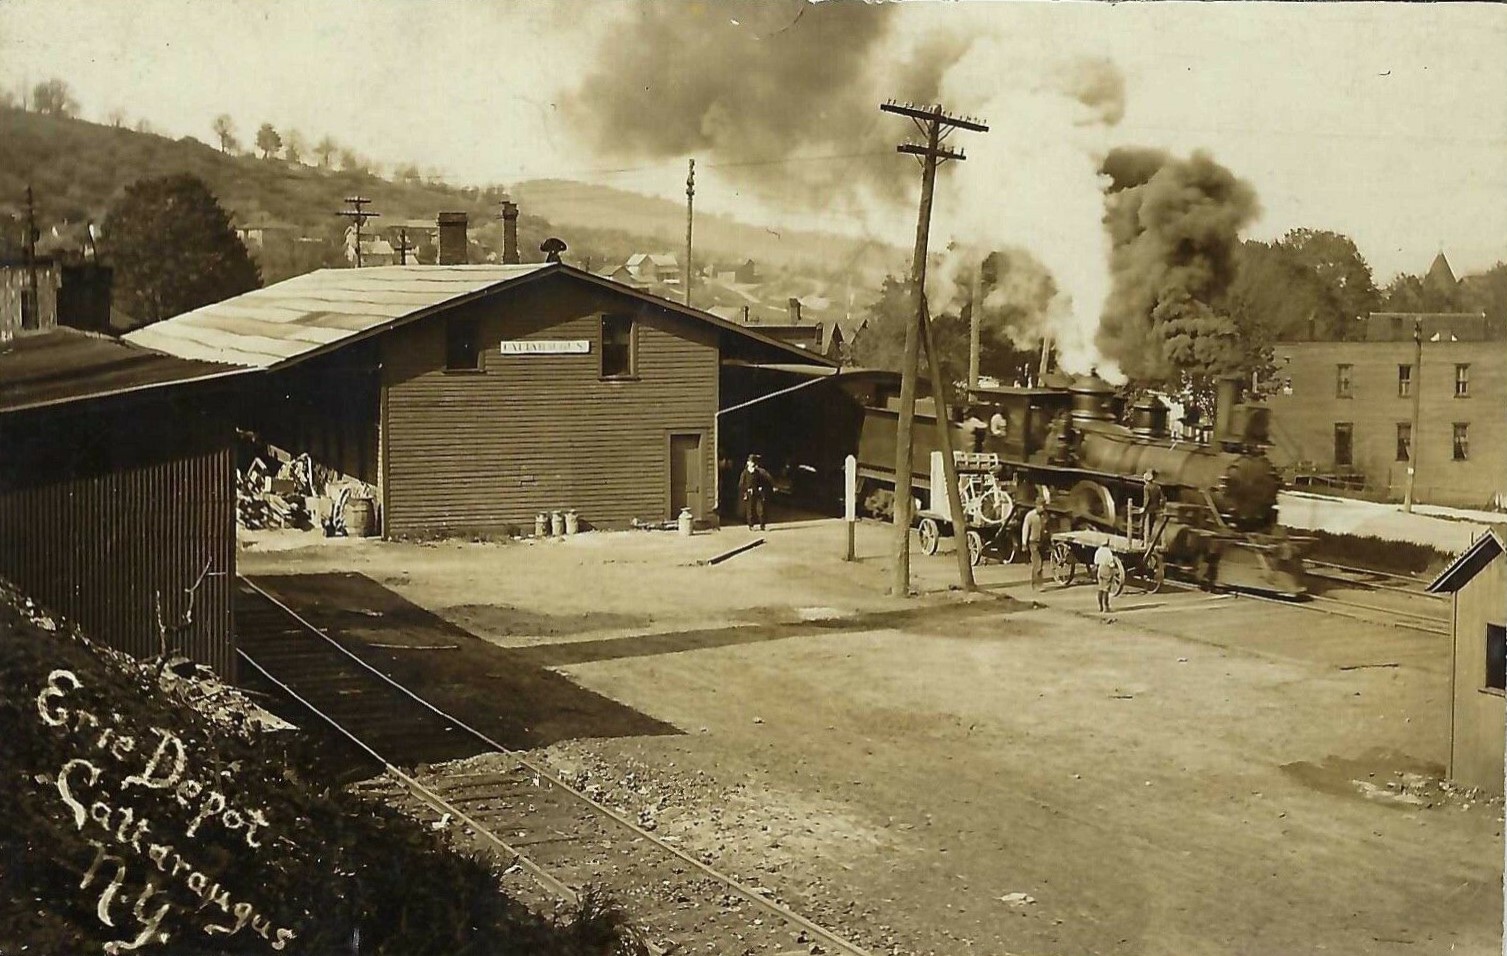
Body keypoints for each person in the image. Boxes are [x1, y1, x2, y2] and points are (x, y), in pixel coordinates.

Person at [737, 454, 773, 531]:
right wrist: (746, 490)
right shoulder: (745, 473)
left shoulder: (758, 472)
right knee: (750, 509)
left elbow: (762, 481)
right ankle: (751, 525)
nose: (752, 464)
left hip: (758, 491)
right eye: (751, 462)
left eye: (753, 462)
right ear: (748, 463)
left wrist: (761, 487)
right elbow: (741, 484)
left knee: (760, 508)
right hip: (750, 492)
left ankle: (762, 524)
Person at [1021, 500, 1047, 590]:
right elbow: (1025, 529)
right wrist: (1024, 543)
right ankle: (1038, 585)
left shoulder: (1044, 516)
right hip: (1033, 542)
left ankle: (1034, 582)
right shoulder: (1030, 516)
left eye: (1044, 506)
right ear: (1036, 506)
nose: (1042, 508)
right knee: (1038, 563)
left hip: (1042, 542)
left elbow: (1047, 528)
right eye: (1040, 506)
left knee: (1039, 564)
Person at [1093, 540, 1119, 613]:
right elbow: (1111, 563)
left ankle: (1100, 606)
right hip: (1107, 569)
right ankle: (1106, 607)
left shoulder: (1098, 551)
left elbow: (1096, 562)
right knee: (1106, 589)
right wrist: (1114, 567)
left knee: (1100, 588)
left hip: (1100, 569)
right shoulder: (1108, 552)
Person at [1141, 469, 1165, 543]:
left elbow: (1147, 499)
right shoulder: (1157, 487)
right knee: (1153, 524)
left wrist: (1144, 508)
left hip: (1149, 509)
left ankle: (1145, 540)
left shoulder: (1146, 487)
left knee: (1145, 524)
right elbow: (1162, 498)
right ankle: (1151, 539)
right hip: (1156, 508)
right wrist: (1161, 507)